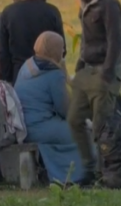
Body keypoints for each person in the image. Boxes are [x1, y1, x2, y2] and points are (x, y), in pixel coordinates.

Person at [63, 0, 121, 186]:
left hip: (103, 71)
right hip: (85, 70)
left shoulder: (109, 4)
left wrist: (106, 75)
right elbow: (88, 38)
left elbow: (116, 41)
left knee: (101, 125)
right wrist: (79, 65)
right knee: (74, 120)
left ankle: (104, 173)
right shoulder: (85, 4)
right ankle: (88, 168)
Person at [15, 31, 86, 186]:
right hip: (41, 127)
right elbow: (65, 110)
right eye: (61, 49)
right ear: (55, 50)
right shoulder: (53, 74)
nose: (63, 52)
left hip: (24, 126)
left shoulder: (27, 65)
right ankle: (75, 176)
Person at [0, 0, 64, 83]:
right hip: (46, 76)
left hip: (18, 75)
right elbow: (61, 48)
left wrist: (7, 80)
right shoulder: (52, 12)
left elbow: (2, 53)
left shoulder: (8, 12)